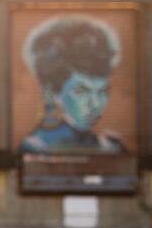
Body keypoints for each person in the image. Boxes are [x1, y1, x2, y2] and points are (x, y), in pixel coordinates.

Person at [18, 15, 125, 153]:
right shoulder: (35, 148)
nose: (95, 104)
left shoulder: (113, 147)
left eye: (102, 92)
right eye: (82, 92)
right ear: (54, 93)